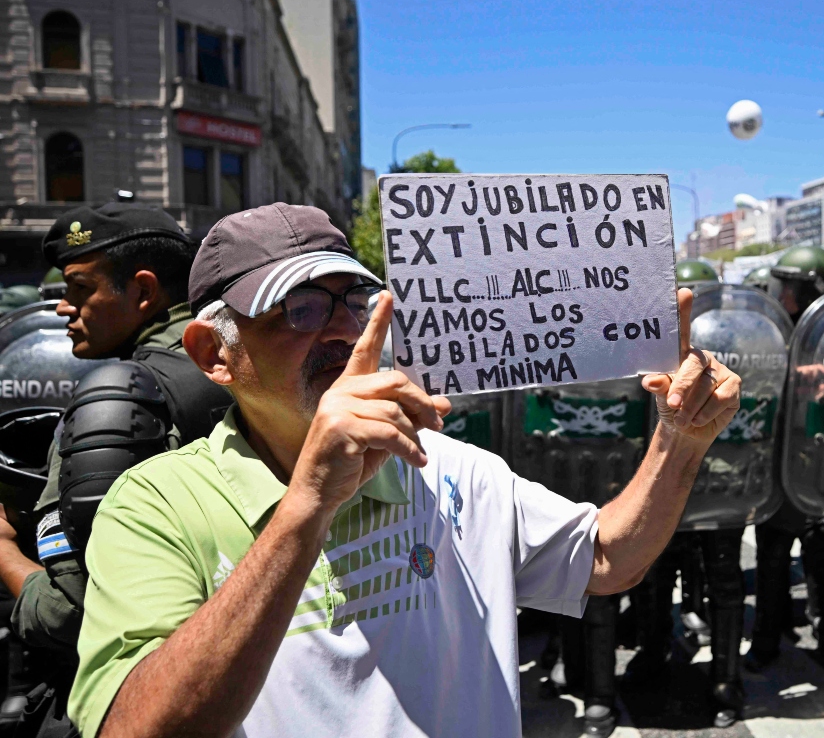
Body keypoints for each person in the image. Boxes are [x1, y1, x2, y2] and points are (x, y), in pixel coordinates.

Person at [67, 203, 742, 738]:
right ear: (213, 352)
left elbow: (605, 560)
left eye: (354, 305)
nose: (341, 332)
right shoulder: (155, 502)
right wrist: (307, 506)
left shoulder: (444, 463)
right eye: (299, 309)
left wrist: (679, 443)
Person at [0, 202, 232, 734]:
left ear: (143, 291)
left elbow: (68, 613)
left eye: (80, 289)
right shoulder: (238, 362)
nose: (63, 307)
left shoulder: (121, 398)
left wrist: (4, 548)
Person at [627, 259, 748, 728]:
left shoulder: (737, 340)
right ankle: (653, 653)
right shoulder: (640, 341)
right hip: (665, 474)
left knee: (724, 582)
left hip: (718, 479)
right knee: (654, 575)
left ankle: (726, 678)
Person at [745, 246, 824, 672]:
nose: (780, 296)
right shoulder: (772, 331)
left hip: (819, 459)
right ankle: (767, 637)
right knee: (772, 554)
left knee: (819, 549)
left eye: (789, 289)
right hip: (778, 461)